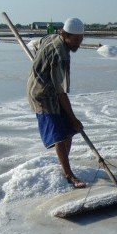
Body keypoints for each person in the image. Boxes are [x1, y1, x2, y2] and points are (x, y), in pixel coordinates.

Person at [27, 17, 87, 188]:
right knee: (59, 135)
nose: (78, 44)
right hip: (41, 94)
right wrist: (74, 119)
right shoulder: (61, 56)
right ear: (65, 35)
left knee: (68, 130)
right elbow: (61, 93)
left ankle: (64, 165)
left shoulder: (51, 37)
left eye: (81, 39)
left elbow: (35, 44)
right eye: (75, 40)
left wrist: (41, 62)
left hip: (52, 89)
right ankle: (69, 175)